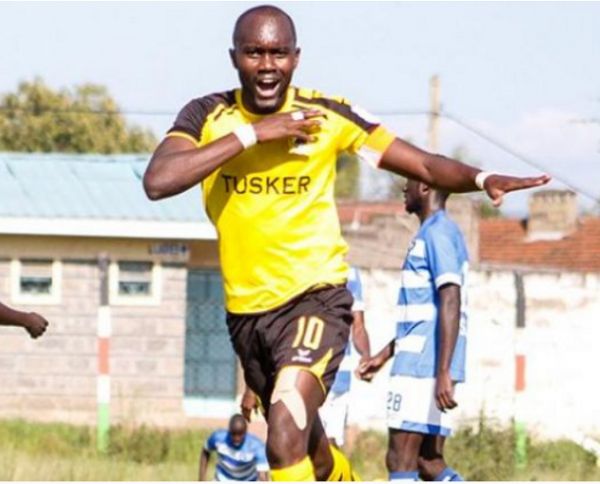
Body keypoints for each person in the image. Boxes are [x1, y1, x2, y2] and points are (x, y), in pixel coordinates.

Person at [143, 5, 549, 480]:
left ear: (296, 58)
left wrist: (481, 177)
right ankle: (340, 474)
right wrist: (253, 134)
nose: (267, 64)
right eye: (255, 53)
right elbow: (159, 181)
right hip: (247, 317)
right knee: (309, 448)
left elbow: (422, 166)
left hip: (314, 302)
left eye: (278, 53)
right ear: (235, 57)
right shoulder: (207, 114)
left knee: (283, 434)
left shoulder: (327, 115)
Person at [358, 180, 469, 481]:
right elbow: (426, 311)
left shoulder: (438, 233)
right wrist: (383, 355)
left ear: (423, 187)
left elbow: (450, 297)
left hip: (424, 365)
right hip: (425, 359)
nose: (402, 190)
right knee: (427, 461)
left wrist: (443, 370)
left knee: (400, 458)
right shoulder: (433, 232)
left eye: (407, 183)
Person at [319, 267, 370, 448]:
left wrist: (366, 356)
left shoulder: (350, 274)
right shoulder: (303, 264)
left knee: (333, 445)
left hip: (340, 374)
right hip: (309, 372)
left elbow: (358, 326)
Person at [199, 414, 269, 481]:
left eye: (240, 434)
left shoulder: (256, 446)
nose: (236, 438)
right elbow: (205, 451)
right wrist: (201, 479)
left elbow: (263, 476)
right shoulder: (218, 438)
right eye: (233, 434)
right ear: (229, 430)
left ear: (245, 432)